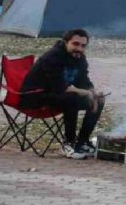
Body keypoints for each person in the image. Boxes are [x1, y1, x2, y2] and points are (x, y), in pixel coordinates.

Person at [20, 29, 105, 159]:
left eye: (83, 45)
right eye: (75, 44)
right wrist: (85, 93)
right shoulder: (53, 57)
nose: (79, 48)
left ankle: (82, 143)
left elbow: (84, 81)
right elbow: (59, 87)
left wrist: (93, 93)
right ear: (65, 42)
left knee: (99, 100)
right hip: (35, 97)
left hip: (57, 96)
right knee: (71, 99)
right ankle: (68, 144)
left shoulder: (80, 58)